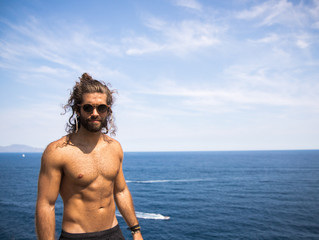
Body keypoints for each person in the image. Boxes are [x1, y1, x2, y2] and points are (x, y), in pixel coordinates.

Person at [36, 73, 143, 240]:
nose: (95, 113)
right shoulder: (58, 151)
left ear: (108, 111)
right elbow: (46, 205)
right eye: (88, 107)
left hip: (114, 233)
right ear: (77, 110)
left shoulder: (114, 148)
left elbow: (121, 191)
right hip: (77, 236)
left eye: (101, 108)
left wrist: (135, 230)